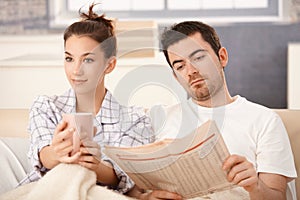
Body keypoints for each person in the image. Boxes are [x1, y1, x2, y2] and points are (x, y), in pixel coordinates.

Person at [134, 21, 297, 199]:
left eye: (198, 58)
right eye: (180, 66)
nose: (191, 71)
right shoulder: (159, 118)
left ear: (222, 57)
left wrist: (255, 186)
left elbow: (277, 196)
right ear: (175, 76)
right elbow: (134, 188)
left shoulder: (264, 119)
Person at [19, 4, 153, 194]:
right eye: (69, 59)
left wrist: (95, 165)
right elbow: (44, 157)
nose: (76, 70)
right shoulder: (46, 106)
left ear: (109, 65)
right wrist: (57, 152)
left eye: (88, 60)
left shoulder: (135, 119)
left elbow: (126, 177)